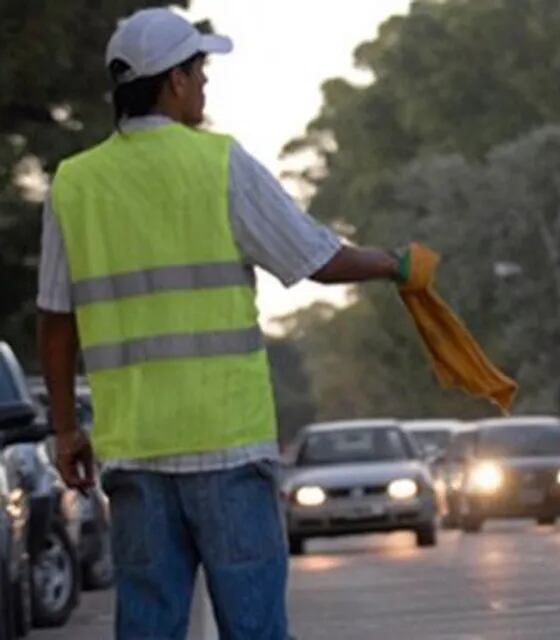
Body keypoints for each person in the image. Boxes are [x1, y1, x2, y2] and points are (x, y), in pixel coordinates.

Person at [36, 8, 410, 639]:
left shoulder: (74, 184)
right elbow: (317, 260)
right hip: (227, 449)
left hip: (135, 453)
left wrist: (68, 433)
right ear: (174, 81)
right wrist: (397, 264)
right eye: (200, 70)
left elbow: (54, 321)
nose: (205, 85)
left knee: (149, 627)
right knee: (254, 629)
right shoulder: (219, 164)